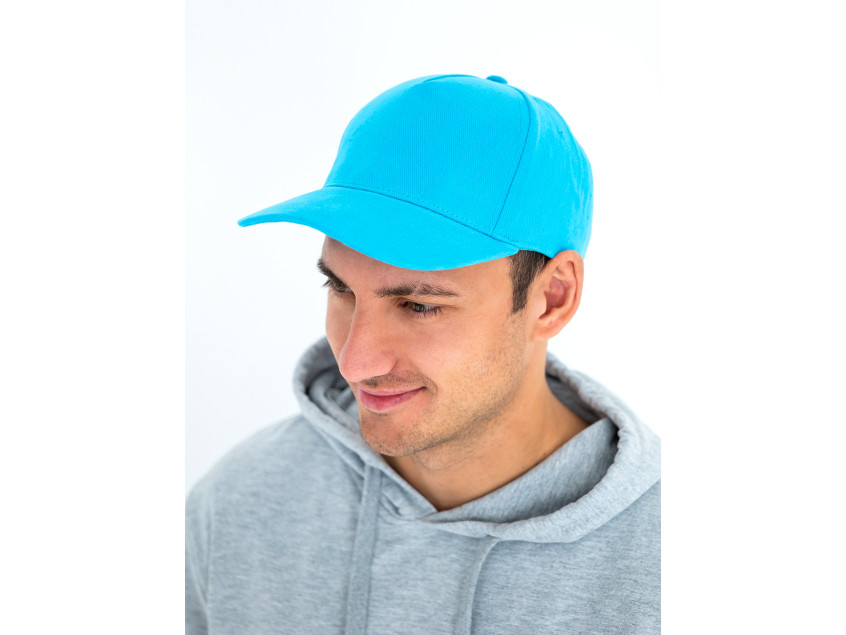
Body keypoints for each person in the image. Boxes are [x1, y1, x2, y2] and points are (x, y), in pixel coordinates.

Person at [186, 73, 660, 634]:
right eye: (340, 288)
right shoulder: (237, 504)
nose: (355, 363)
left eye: (419, 305)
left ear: (552, 298)